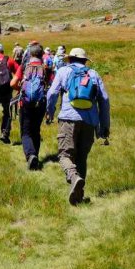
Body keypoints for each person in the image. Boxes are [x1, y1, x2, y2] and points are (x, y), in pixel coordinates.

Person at [46, 47, 110, 205]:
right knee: (82, 157)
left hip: (68, 118)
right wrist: (104, 126)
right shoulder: (93, 74)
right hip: (90, 121)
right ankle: (78, 197)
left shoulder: (63, 71)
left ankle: (74, 178)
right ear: (84, 60)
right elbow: (105, 100)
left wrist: (50, 111)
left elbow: (52, 93)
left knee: (64, 155)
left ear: (70, 59)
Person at [13, 43, 52, 170]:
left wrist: (21, 89)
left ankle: (30, 155)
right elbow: (51, 85)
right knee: (36, 130)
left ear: (29, 54)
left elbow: (12, 83)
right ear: (42, 54)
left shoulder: (24, 66)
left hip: (25, 102)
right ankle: (35, 155)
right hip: (41, 103)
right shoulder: (46, 67)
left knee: (25, 131)